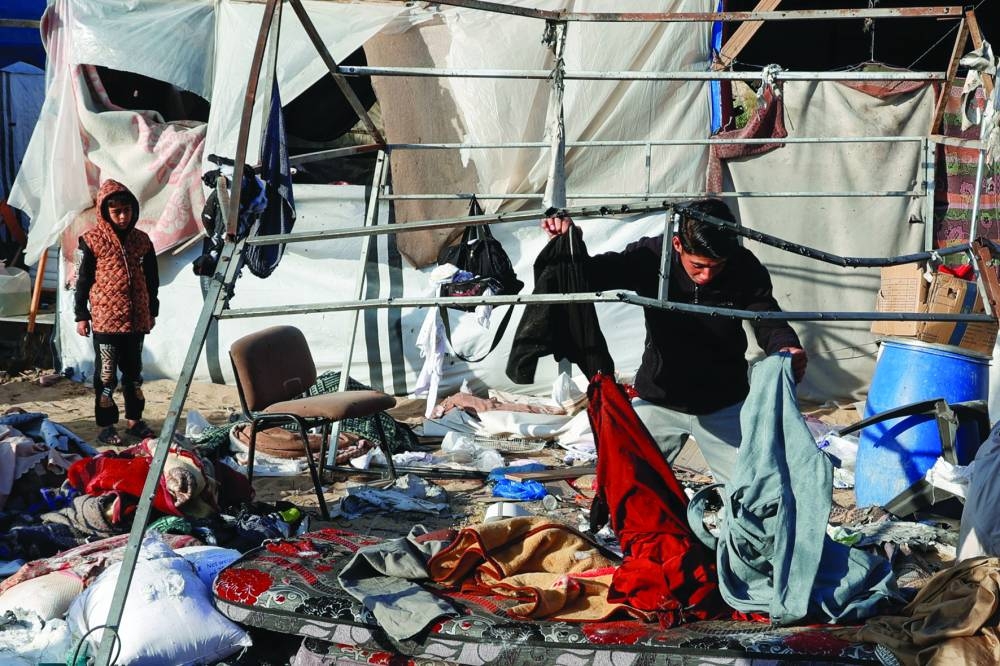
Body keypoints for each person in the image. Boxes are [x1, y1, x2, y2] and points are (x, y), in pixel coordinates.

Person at [541, 198, 806, 484]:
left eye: (716, 267)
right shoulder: (650, 256)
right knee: (631, 485)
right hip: (658, 397)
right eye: (698, 266)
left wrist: (784, 347)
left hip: (724, 400)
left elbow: (766, 317)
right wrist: (570, 244)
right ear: (678, 244)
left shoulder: (743, 267)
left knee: (751, 490)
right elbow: (590, 276)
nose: (706, 276)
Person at [74, 179, 159, 446]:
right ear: (104, 212)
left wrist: (152, 310)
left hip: (136, 321)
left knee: (134, 375)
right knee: (106, 375)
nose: (123, 216)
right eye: (116, 211)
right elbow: (82, 280)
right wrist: (81, 314)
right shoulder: (90, 240)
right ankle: (107, 425)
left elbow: (152, 279)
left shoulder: (142, 241)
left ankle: (135, 422)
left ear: (134, 209)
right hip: (105, 322)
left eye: (127, 210)